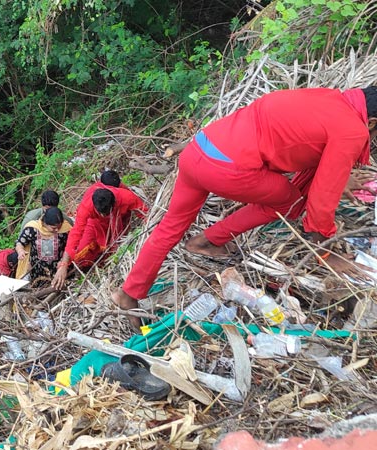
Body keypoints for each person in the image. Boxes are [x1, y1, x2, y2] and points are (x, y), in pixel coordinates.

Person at [112, 86, 377, 328]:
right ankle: (209, 239)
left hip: (199, 150)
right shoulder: (352, 128)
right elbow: (321, 201)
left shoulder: (328, 97)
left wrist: (340, 174)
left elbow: (312, 143)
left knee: (170, 226)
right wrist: (327, 255)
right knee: (292, 202)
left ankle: (128, 293)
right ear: (372, 122)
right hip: (226, 168)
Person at [52, 176, 148, 289]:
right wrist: (63, 265)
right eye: (100, 212)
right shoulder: (86, 207)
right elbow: (76, 233)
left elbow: (145, 214)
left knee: (114, 250)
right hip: (94, 224)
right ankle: (82, 270)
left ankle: (107, 269)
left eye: (105, 212)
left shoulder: (127, 197)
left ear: (114, 203)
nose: (103, 215)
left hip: (117, 221)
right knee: (81, 251)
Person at [15, 207, 73, 282]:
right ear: (45, 223)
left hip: (59, 269)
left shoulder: (66, 229)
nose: (57, 230)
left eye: (59, 227)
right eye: (53, 228)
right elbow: (20, 243)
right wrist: (20, 251)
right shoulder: (33, 228)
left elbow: (71, 245)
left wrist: (64, 261)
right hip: (38, 271)